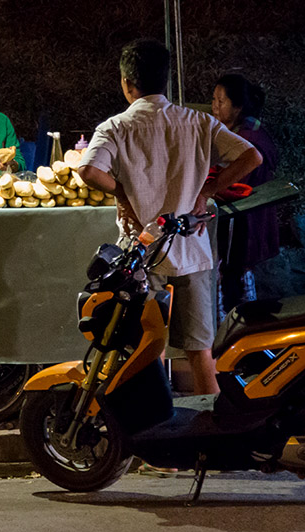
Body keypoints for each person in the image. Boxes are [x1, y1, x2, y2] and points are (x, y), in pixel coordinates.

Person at [78, 39, 262, 398]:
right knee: (199, 348)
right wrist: (205, 192)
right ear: (166, 81)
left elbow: (88, 170)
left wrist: (123, 194)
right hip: (191, 246)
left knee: (148, 347)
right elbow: (250, 157)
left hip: (141, 251)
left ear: (127, 84)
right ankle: (211, 430)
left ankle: (155, 430)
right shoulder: (197, 122)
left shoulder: (115, 127)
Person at [210, 74, 280, 320]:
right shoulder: (240, 131)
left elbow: (239, 186)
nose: (215, 106)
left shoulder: (250, 139)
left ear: (238, 107)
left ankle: (242, 332)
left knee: (238, 280)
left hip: (246, 219)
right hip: (243, 220)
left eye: (222, 101)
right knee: (236, 275)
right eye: (214, 100)